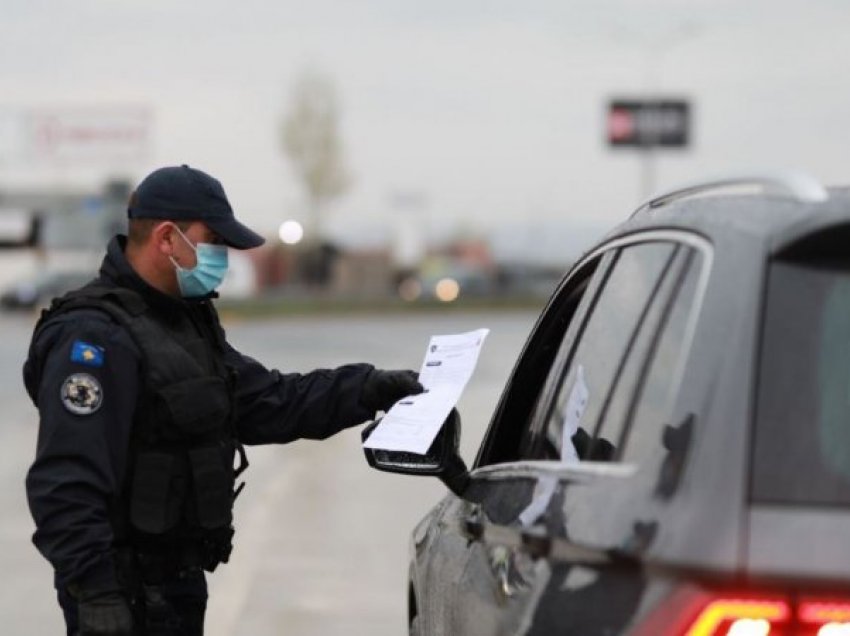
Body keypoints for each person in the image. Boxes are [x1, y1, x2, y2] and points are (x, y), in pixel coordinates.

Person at [23, 164, 423, 636]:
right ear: (168, 238)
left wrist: (368, 388)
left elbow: (269, 401)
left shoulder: (183, 323)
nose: (222, 257)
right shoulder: (94, 338)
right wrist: (96, 594)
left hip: (175, 589)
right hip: (120, 598)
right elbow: (65, 482)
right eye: (212, 240)